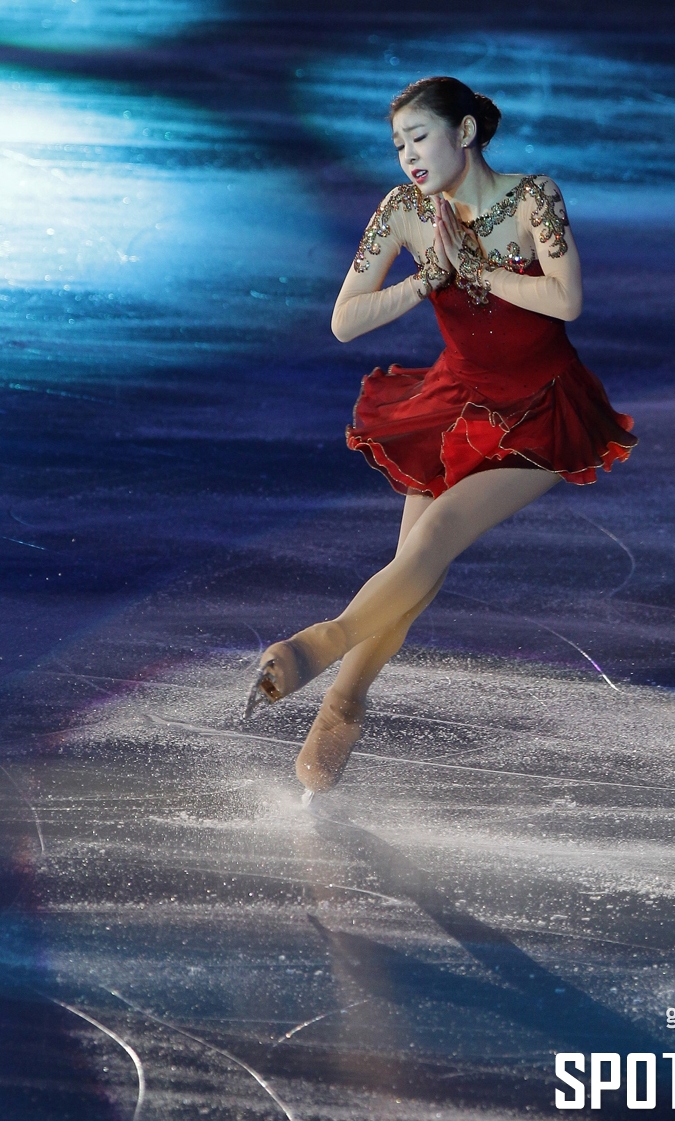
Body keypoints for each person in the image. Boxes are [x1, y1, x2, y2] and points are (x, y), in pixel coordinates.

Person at [246, 75, 637, 803]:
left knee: (430, 545)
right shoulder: (404, 211)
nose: (407, 157)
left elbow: (567, 299)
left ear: (464, 132)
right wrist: (428, 278)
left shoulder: (532, 199)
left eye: (419, 137)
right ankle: (346, 703)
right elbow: (345, 320)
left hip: (543, 410)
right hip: (454, 403)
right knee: (413, 570)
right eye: (397, 145)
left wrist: (477, 268)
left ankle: (321, 646)